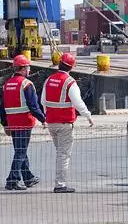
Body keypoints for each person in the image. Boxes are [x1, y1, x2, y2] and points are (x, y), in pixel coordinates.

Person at [41, 52, 93, 193]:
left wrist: (46, 116)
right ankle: (60, 184)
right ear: (72, 67)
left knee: (60, 153)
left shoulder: (49, 80)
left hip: (51, 122)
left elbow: (43, 101)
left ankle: (60, 182)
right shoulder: (70, 82)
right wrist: (88, 115)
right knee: (63, 155)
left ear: (59, 64)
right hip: (65, 124)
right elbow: (78, 103)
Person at [0, 53, 46, 190]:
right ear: (23, 68)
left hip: (12, 123)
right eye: (28, 67)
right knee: (21, 151)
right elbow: (33, 105)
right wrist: (43, 119)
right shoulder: (26, 84)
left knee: (20, 150)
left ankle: (28, 178)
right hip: (25, 122)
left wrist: (5, 124)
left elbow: (1, 108)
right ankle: (12, 180)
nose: (29, 70)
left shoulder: (7, 84)